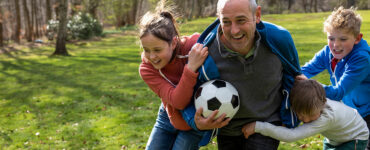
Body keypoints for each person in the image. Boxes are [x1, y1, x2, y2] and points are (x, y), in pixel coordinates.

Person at [181, 0, 303, 149]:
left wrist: (292, 114)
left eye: (241, 20)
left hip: (266, 123)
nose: (234, 30)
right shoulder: (205, 54)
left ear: (257, 15)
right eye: (226, 22)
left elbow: (296, 77)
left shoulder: (279, 40)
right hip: (226, 129)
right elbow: (185, 95)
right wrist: (197, 122)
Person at [138, 0, 211, 149]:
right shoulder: (147, 68)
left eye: (157, 50)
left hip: (194, 122)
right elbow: (178, 101)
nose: (151, 56)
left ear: (173, 43)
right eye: (146, 49)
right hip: (168, 115)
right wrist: (190, 69)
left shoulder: (194, 46)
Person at [296, 6, 370, 149]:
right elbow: (304, 71)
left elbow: (338, 92)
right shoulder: (327, 53)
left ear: (357, 38)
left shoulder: (361, 58)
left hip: (368, 113)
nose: (336, 45)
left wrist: (311, 85)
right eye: (331, 38)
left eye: (343, 39)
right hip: (351, 112)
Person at [242, 79, 369, 150]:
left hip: (355, 137)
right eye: (301, 115)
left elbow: (291, 136)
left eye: (310, 115)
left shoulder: (326, 118)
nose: (306, 120)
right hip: (336, 138)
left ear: (323, 104)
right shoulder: (315, 103)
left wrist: (258, 126)